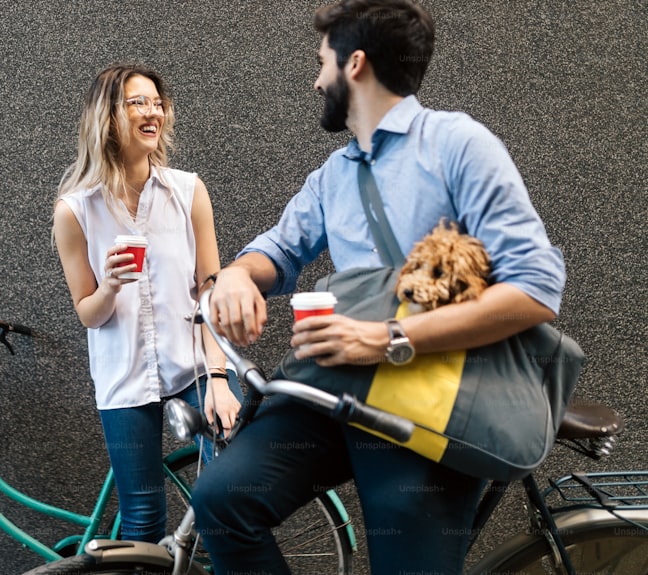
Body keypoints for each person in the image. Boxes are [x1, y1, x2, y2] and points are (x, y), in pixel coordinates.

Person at [192, 1, 566, 573]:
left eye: (323, 63)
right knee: (223, 499)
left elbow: (536, 289)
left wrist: (388, 337)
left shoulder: (457, 144)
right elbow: (281, 248)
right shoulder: (335, 174)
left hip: (433, 399)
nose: (317, 80)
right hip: (338, 389)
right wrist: (238, 276)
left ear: (355, 65)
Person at [53, 63, 242, 544]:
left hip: (196, 367)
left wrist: (219, 378)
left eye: (157, 102)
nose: (152, 111)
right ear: (108, 116)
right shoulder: (76, 211)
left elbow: (209, 289)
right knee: (141, 519)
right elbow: (87, 313)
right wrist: (111, 286)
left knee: (229, 498)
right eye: (138, 102)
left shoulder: (188, 192)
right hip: (124, 378)